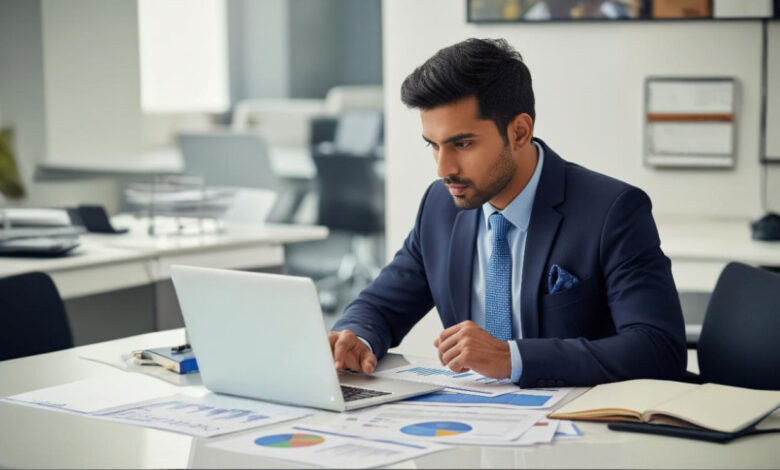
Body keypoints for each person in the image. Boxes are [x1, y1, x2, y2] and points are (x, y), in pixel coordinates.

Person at [328, 38, 686, 388]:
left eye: (462, 144)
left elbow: (657, 349)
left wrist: (512, 358)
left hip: (579, 429)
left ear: (519, 132)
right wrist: (356, 337)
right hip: (477, 426)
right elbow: (379, 306)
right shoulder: (440, 207)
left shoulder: (612, 211)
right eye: (433, 146)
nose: (443, 169)